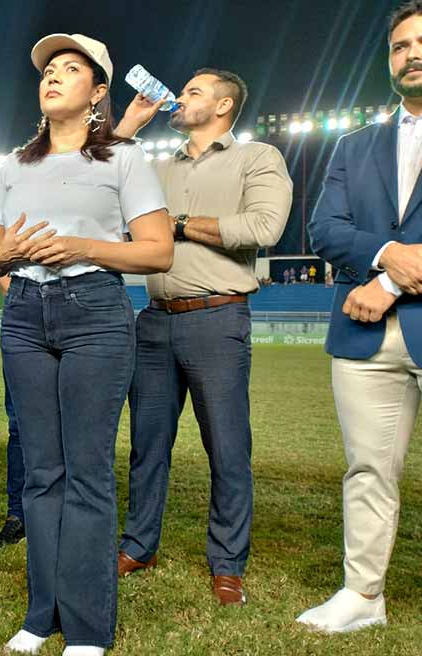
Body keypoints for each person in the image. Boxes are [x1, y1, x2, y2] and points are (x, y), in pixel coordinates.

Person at [0, 34, 173, 655]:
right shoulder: (13, 164)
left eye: (71, 69)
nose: (54, 76)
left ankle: (88, 628)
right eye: (48, 70)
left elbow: (157, 251)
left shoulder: (123, 159)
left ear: (97, 93)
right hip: (25, 314)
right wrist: (5, 254)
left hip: (94, 310)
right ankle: (43, 615)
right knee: (41, 474)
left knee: (86, 473)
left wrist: (82, 246)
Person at [112, 68, 292, 605]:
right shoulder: (156, 165)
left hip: (218, 317)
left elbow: (262, 229)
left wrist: (179, 222)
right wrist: (128, 127)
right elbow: (96, 186)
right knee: (147, 447)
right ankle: (139, 545)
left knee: (227, 449)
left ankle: (227, 561)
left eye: (193, 91)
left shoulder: (256, 158)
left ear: (223, 106)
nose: (180, 96)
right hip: (156, 318)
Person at [297, 0, 422, 633]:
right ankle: (363, 594)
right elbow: (324, 228)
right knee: (369, 468)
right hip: (364, 333)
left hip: (381, 303)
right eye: (401, 46)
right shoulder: (355, 143)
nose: (413, 53)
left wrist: (392, 282)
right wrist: (388, 256)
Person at [0, 273, 26, 552]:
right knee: (20, 426)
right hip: (24, 322)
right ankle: (18, 516)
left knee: (73, 424)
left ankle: (69, 516)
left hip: (80, 317)